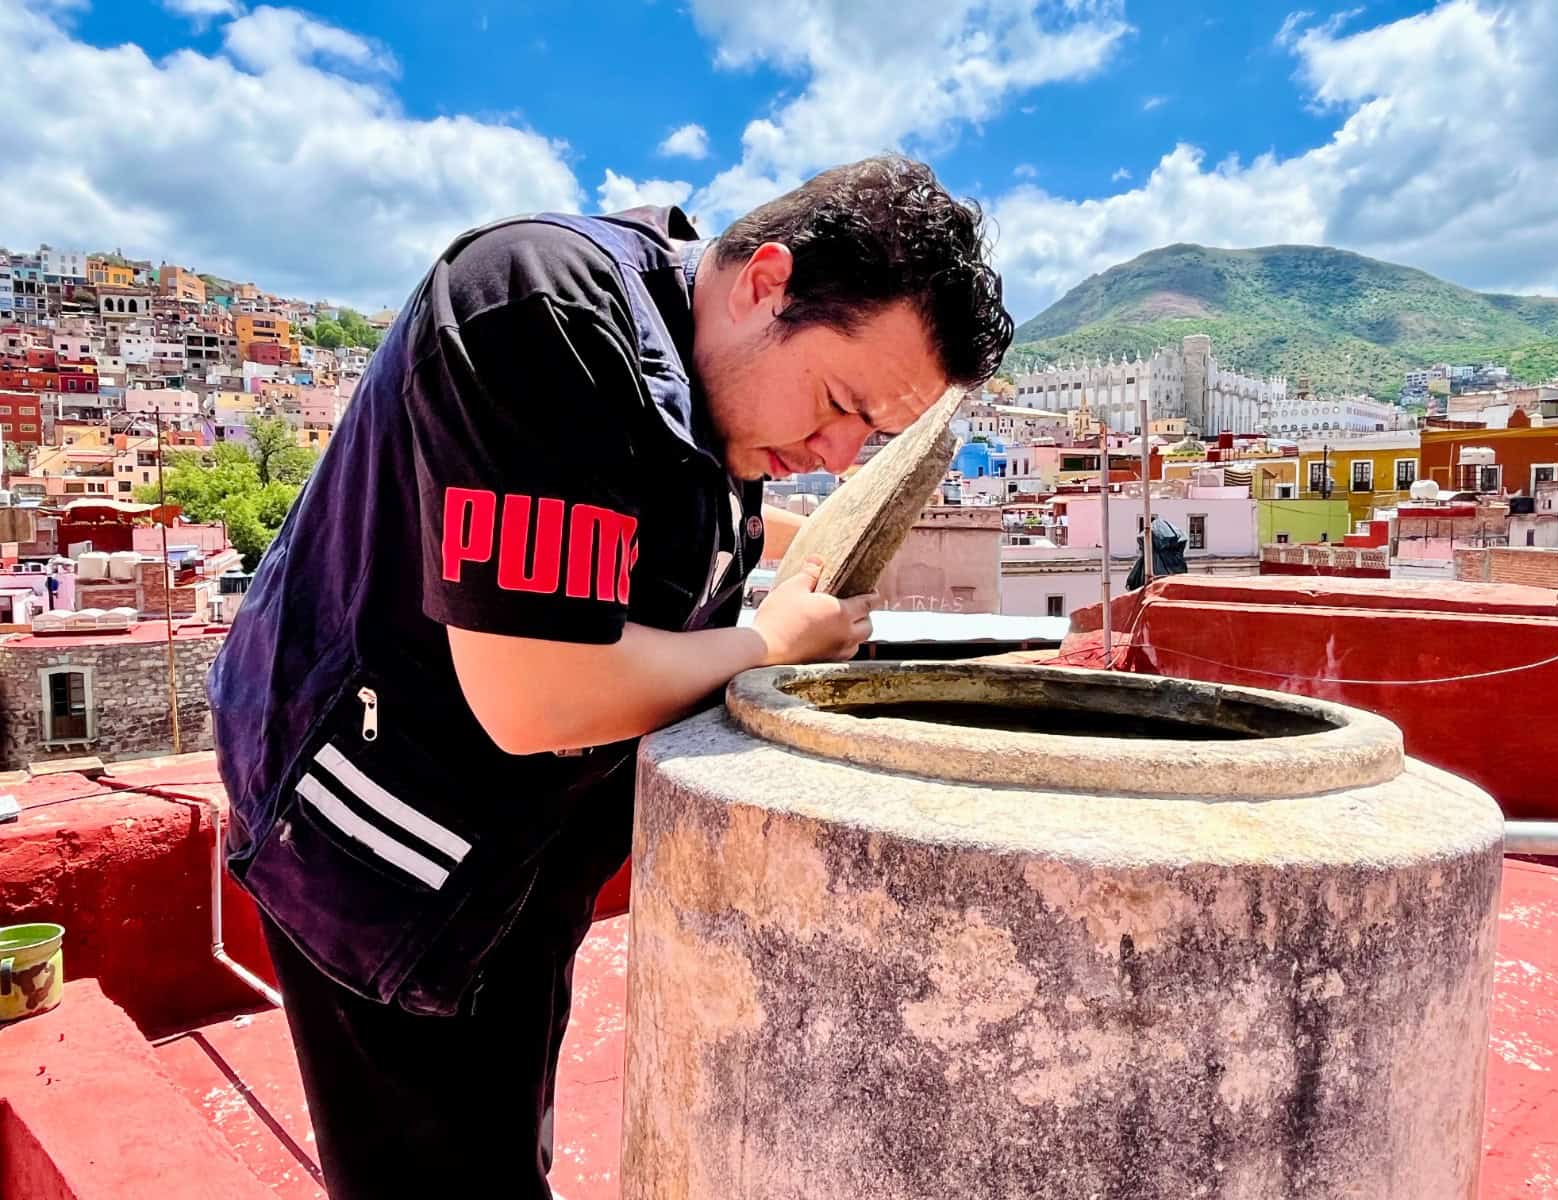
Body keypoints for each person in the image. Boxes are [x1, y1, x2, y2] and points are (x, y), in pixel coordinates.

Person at [206, 154, 1012, 1199]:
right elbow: (537, 692)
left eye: (872, 435)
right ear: (765, 282)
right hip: (383, 853)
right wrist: (773, 642)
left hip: (518, 859)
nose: (835, 452)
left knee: (504, 1150)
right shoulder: (540, 310)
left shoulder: (717, 385)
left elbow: (648, 528)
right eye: (836, 403)